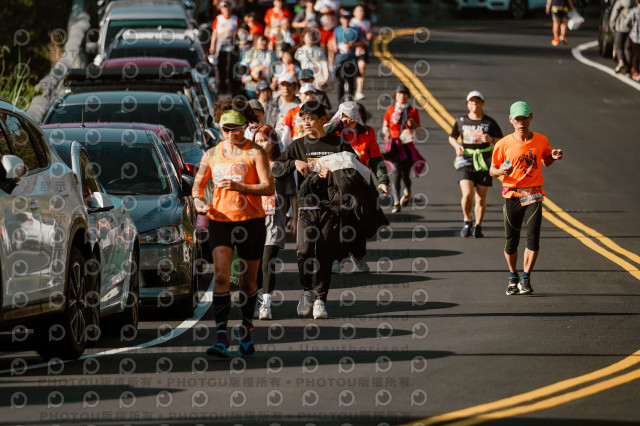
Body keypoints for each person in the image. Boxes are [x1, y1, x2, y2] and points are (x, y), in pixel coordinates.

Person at [193, 98, 275, 358]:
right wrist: (198, 202)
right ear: (219, 127)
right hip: (220, 221)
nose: (232, 134)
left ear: (245, 126)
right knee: (221, 277)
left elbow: (269, 187)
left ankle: (246, 329)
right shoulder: (211, 154)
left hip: (251, 221)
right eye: (226, 129)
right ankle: (220, 337)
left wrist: (241, 187)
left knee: (248, 280)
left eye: (237, 129)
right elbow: (197, 187)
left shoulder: (255, 152)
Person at [277, 101, 356, 319]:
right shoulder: (297, 145)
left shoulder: (339, 143)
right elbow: (277, 167)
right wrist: (293, 163)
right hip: (306, 207)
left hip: (331, 208)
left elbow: (354, 167)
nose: (307, 123)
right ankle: (306, 291)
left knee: (325, 254)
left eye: (311, 118)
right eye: (304, 119)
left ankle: (321, 299)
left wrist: (335, 170)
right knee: (303, 252)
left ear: (323, 119)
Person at [490, 101, 563, 296]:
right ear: (511, 120)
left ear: (531, 118)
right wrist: (501, 170)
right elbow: (492, 170)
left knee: (533, 239)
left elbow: (546, 161)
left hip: (533, 194)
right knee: (511, 242)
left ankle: (526, 278)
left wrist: (553, 157)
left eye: (524, 118)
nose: (521, 123)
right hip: (512, 195)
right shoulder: (503, 144)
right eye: (517, 119)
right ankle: (512, 276)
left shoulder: (541, 140)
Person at [327, 101, 390, 273]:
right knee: (340, 223)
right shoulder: (334, 131)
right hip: (338, 185)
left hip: (362, 184)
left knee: (361, 222)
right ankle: (337, 259)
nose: (348, 119)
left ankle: (359, 256)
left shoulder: (367, 132)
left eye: (351, 116)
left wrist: (383, 180)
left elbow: (375, 157)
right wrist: (337, 124)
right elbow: (320, 136)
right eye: (344, 116)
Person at [254, 125, 297, 320]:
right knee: (255, 266)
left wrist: (294, 218)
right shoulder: (251, 165)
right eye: (257, 141)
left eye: (264, 140)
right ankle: (258, 299)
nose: (260, 144)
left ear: (274, 142)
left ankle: (266, 305)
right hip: (254, 223)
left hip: (275, 223)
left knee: (267, 263)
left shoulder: (281, 166)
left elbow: (293, 194)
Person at [448, 91, 503, 238]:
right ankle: (467, 220)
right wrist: (457, 146)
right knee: (467, 194)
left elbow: (502, 140)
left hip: (484, 160)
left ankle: (478, 225)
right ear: (467, 104)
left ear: (482, 104)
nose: (475, 105)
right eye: (472, 102)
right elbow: (452, 137)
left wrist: (491, 140)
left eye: (477, 102)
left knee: (480, 196)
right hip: (465, 159)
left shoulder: (489, 122)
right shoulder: (461, 120)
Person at [382, 84, 421, 213]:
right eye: (399, 93)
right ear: (395, 95)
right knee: (396, 173)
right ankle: (396, 202)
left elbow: (419, 130)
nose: (402, 96)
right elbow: (385, 126)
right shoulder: (390, 111)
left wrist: (412, 124)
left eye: (404, 94)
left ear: (408, 97)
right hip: (395, 146)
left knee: (405, 175)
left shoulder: (413, 111)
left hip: (407, 145)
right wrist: (386, 133)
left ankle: (408, 190)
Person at [329, 10, 364, 102]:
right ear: (341, 19)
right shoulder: (337, 30)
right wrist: (334, 47)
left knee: (350, 79)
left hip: (351, 59)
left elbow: (362, 42)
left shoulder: (356, 30)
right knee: (341, 80)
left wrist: (352, 45)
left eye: (348, 18)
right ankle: (340, 101)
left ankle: (350, 99)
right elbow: (333, 41)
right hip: (340, 59)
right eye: (344, 18)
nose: (346, 20)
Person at [209, 1, 241, 94]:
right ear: (221, 9)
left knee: (231, 64)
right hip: (221, 43)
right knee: (221, 65)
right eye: (224, 8)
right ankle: (221, 85)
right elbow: (214, 32)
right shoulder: (218, 18)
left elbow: (239, 32)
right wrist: (212, 45)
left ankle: (231, 85)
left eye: (227, 7)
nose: (226, 9)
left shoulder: (235, 19)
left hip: (231, 43)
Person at [277, 82, 319, 150]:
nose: (308, 97)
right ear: (299, 95)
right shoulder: (292, 111)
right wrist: (283, 151)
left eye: (311, 94)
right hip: (297, 147)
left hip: (314, 146)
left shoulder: (319, 112)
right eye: (306, 94)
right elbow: (286, 135)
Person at [240, 34, 277, 98]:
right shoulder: (251, 52)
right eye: (262, 40)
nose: (264, 42)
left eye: (265, 41)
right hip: (252, 82)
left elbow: (275, 67)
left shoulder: (271, 53)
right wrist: (244, 75)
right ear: (256, 41)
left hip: (266, 81)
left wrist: (274, 81)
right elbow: (243, 64)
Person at [350, 4, 373, 101]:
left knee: (362, 68)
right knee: (351, 70)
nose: (361, 13)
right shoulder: (351, 22)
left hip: (362, 48)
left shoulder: (368, 23)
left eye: (363, 11)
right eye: (359, 11)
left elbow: (371, 33)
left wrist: (370, 35)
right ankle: (349, 88)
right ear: (354, 12)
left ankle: (359, 91)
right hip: (351, 48)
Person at [609, 0, 634, 74]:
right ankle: (628, 70)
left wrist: (612, 24)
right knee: (627, 49)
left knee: (618, 47)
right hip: (630, 29)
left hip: (620, 27)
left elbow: (614, 13)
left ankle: (621, 61)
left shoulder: (620, 2)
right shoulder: (634, 2)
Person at [629, 0, 640, 81]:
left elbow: (627, 21)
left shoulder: (634, 10)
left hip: (635, 36)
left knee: (635, 54)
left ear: (636, 2)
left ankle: (636, 71)